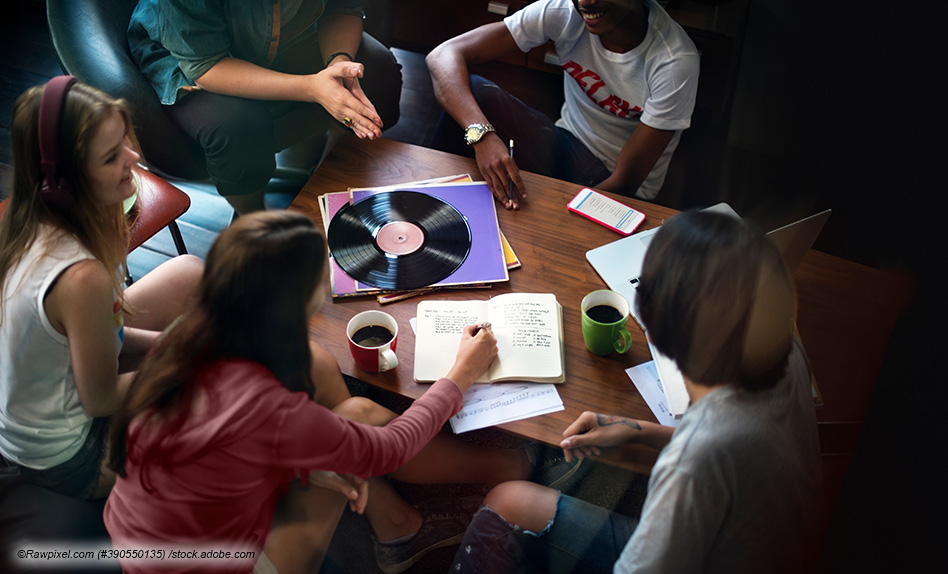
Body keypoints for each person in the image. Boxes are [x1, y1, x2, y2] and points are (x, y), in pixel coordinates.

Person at [103, 211, 541, 574]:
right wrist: (462, 372)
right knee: (361, 417)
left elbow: (219, 449)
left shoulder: (190, 336)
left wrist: (307, 463)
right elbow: (389, 448)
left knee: (335, 398)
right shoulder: (268, 407)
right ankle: (507, 466)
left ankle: (399, 528)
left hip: (141, 541)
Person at [448, 210, 825, 573]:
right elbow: (743, 446)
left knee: (506, 502)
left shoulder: (692, 463)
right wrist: (636, 431)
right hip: (785, 542)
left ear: (659, 334)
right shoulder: (783, 346)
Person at [0, 77, 203, 500]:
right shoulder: (80, 277)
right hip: (70, 456)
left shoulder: (29, 219)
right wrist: (186, 362)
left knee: (188, 271)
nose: (133, 158)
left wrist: (166, 345)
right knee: (219, 394)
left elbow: (107, 334)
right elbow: (102, 398)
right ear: (64, 183)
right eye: (112, 157)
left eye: (125, 140)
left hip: (61, 387)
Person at [128, 0, 403, 215]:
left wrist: (338, 64)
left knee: (380, 73)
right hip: (192, 57)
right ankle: (253, 219)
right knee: (236, 127)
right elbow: (207, 65)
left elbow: (341, 8)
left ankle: (326, 183)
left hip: (290, 36)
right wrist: (312, 88)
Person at [426, 0, 699, 210]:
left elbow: (625, 183)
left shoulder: (674, 61)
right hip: (564, 142)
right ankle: (429, 205)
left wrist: (552, 219)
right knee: (475, 94)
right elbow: (443, 55)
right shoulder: (565, 11)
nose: (587, 1)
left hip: (612, 178)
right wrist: (481, 136)